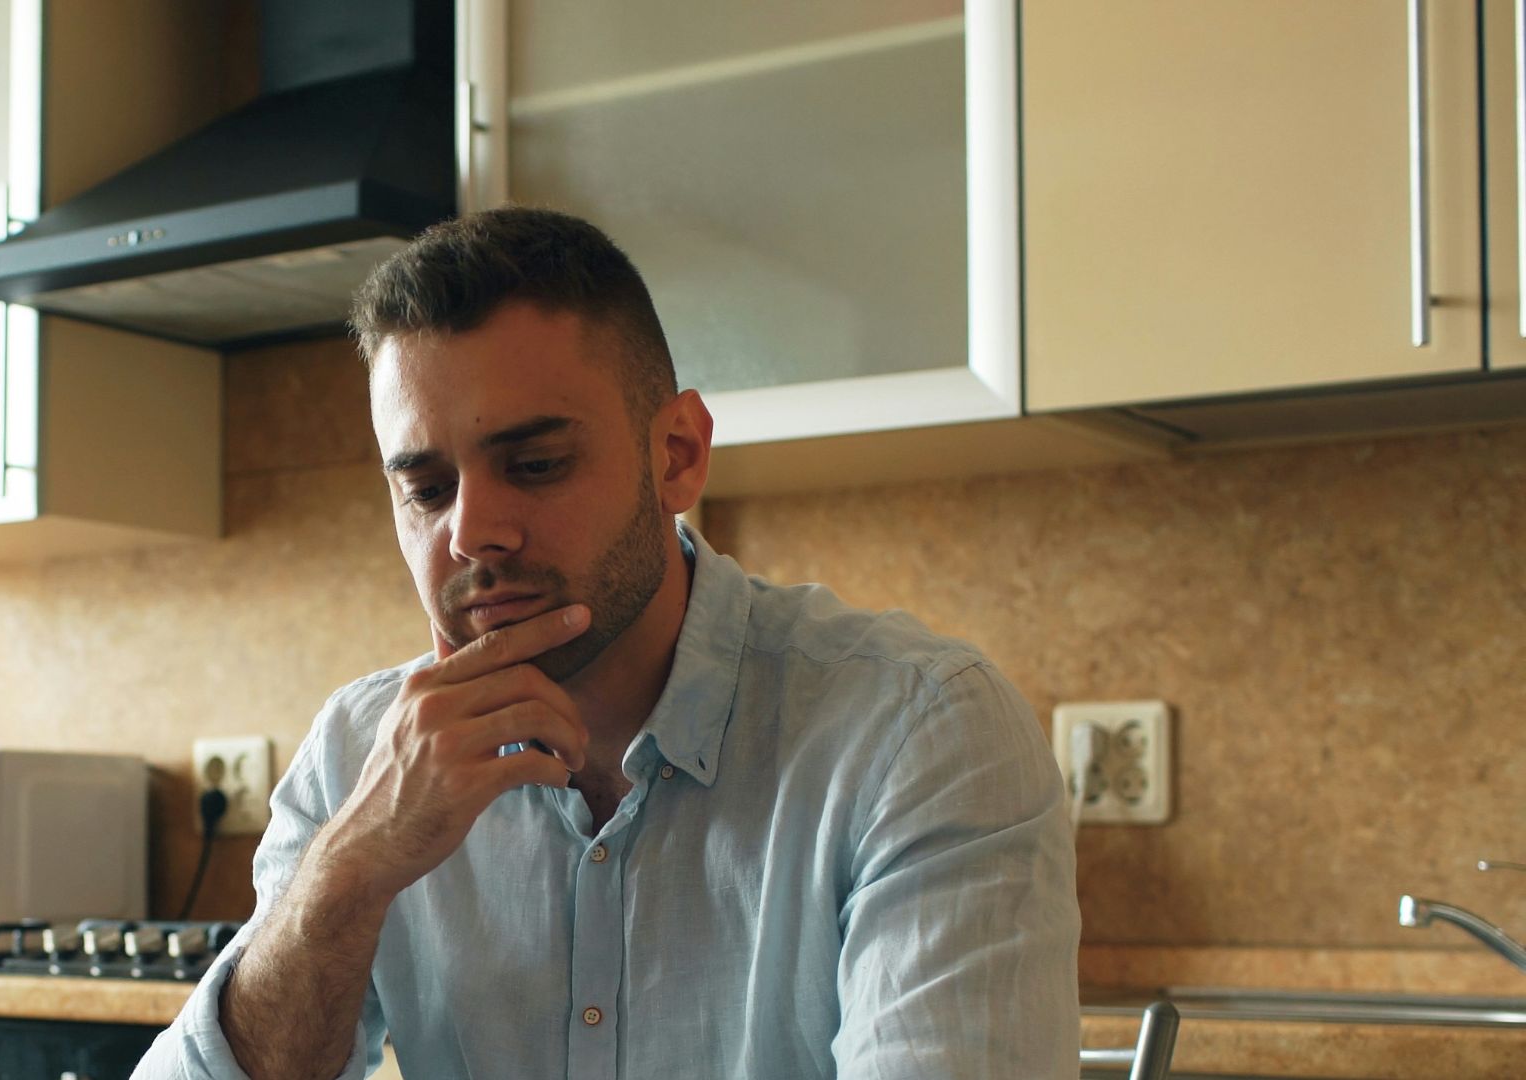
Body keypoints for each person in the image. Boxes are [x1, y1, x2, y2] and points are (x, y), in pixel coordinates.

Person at [135, 207, 1079, 1080]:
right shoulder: (360, 755)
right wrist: (347, 873)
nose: (472, 533)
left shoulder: (919, 734)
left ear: (677, 456)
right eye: (425, 489)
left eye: (535, 465)